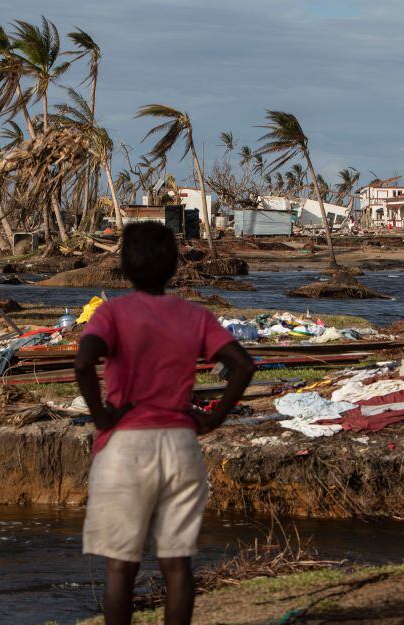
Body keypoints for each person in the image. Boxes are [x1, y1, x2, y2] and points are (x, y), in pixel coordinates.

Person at [74, 222, 256, 625]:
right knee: (177, 567)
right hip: (178, 444)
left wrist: (102, 416)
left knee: (121, 567)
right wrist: (212, 419)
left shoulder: (112, 313)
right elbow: (242, 366)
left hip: (124, 447)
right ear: (174, 265)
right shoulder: (193, 315)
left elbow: (84, 362)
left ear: (123, 265)